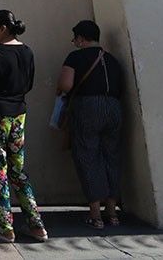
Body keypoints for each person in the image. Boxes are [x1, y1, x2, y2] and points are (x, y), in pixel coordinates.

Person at [0, 10, 48, 243]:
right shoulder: (27, 52)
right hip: (19, 115)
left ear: (3, 28)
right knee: (18, 170)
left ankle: (5, 227)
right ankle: (37, 226)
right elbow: (30, 83)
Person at [57, 20, 123, 229]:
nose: (74, 42)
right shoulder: (112, 59)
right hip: (113, 107)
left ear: (81, 38)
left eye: (75, 38)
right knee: (111, 157)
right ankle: (112, 212)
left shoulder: (75, 57)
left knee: (87, 155)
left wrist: (60, 89)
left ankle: (95, 214)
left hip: (87, 108)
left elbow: (66, 85)